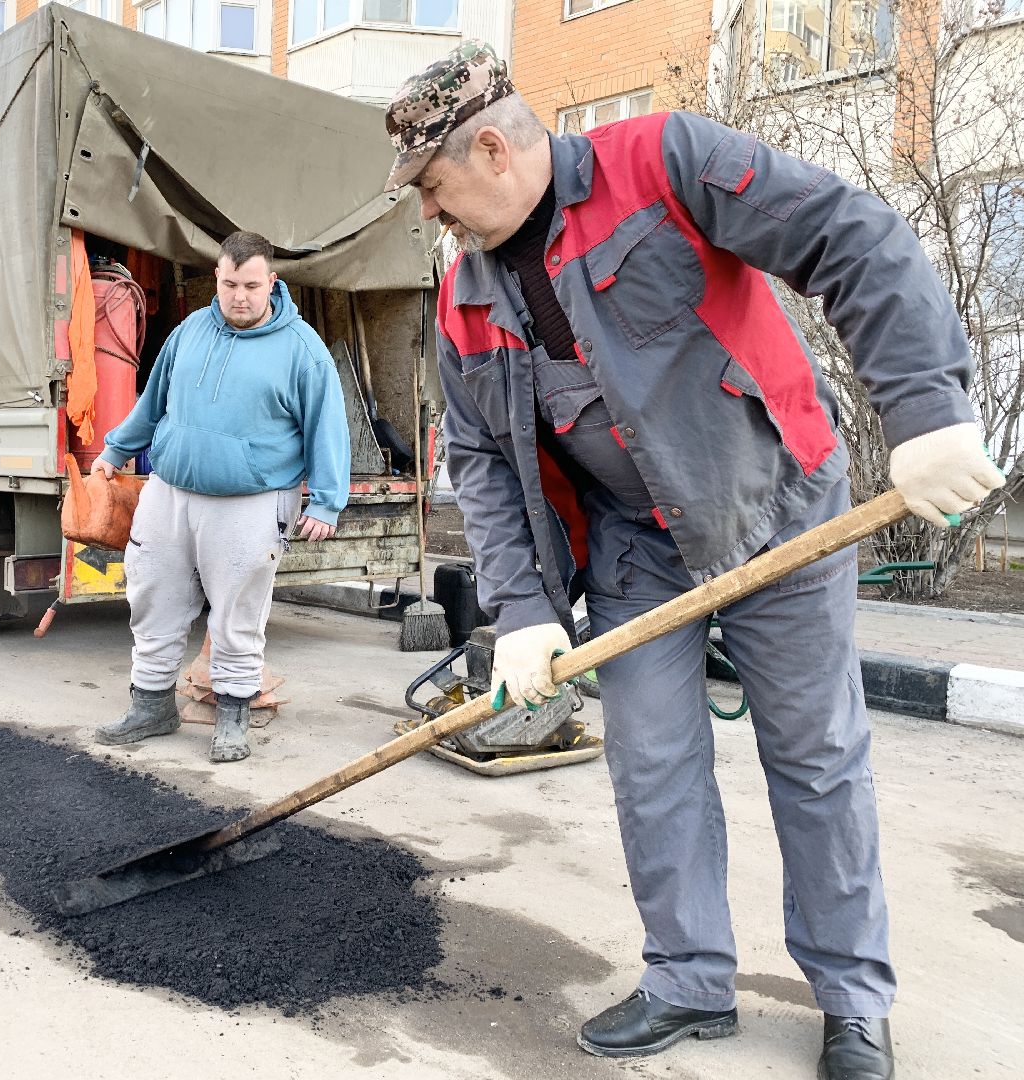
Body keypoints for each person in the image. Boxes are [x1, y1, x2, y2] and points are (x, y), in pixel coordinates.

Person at [382, 41, 1005, 1080]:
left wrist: (928, 405)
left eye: (434, 190)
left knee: (814, 760)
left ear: (490, 147)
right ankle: (687, 979)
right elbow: (484, 460)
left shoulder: (663, 161)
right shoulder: (465, 299)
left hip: (776, 508)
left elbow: (848, 237)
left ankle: (853, 999)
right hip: (636, 546)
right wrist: (524, 607)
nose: (431, 217)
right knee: (653, 763)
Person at [91, 231, 350, 763]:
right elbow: (153, 399)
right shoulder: (189, 331)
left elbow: (328, 425)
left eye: (252, 285)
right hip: (170, 491)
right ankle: (153, 705)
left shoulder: (303, 349)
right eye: (230, 283)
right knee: (151, 596)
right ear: (216, 278)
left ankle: (232, 714)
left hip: (251, 499)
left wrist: (326, 501)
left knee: (237, 612)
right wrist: (116, 450)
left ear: (271, 282)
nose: (240, 296)